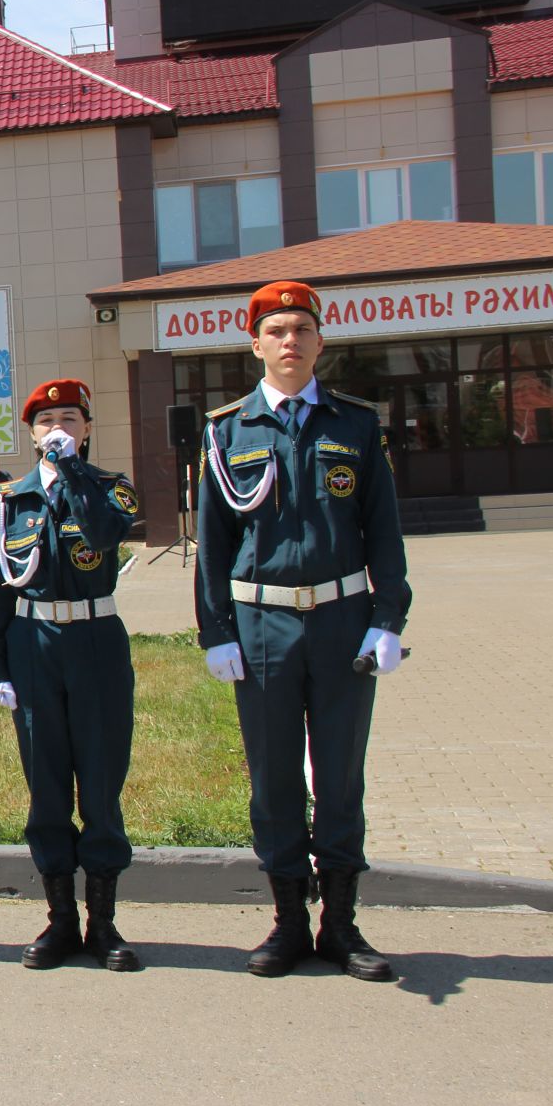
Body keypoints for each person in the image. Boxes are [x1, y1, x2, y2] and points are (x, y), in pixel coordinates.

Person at [197, 281, 412, 983]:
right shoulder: (227, 431)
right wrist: (217, 631)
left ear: (321, 342)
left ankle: (341, 925)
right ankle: (289, 921)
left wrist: (388, 618)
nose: (291, 341)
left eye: (302, 329)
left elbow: (382, 528)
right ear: (255, 344)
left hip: (343, 622)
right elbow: (212, 542)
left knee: (341, 774)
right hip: (262, 626)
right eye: (277, 330)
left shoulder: (354, 424)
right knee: (274, 778)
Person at [0, 380, 141, 972]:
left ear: (88, 429)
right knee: (46, 788)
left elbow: (102, 534)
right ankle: (59, 921)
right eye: (46, 422)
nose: (57, 430)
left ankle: (104, 923)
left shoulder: (109, 489)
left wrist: (71, 474)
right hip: (33, 643)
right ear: (31, 433)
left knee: (99, 783)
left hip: (96, 641)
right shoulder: (11, 499)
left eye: (69, 419)